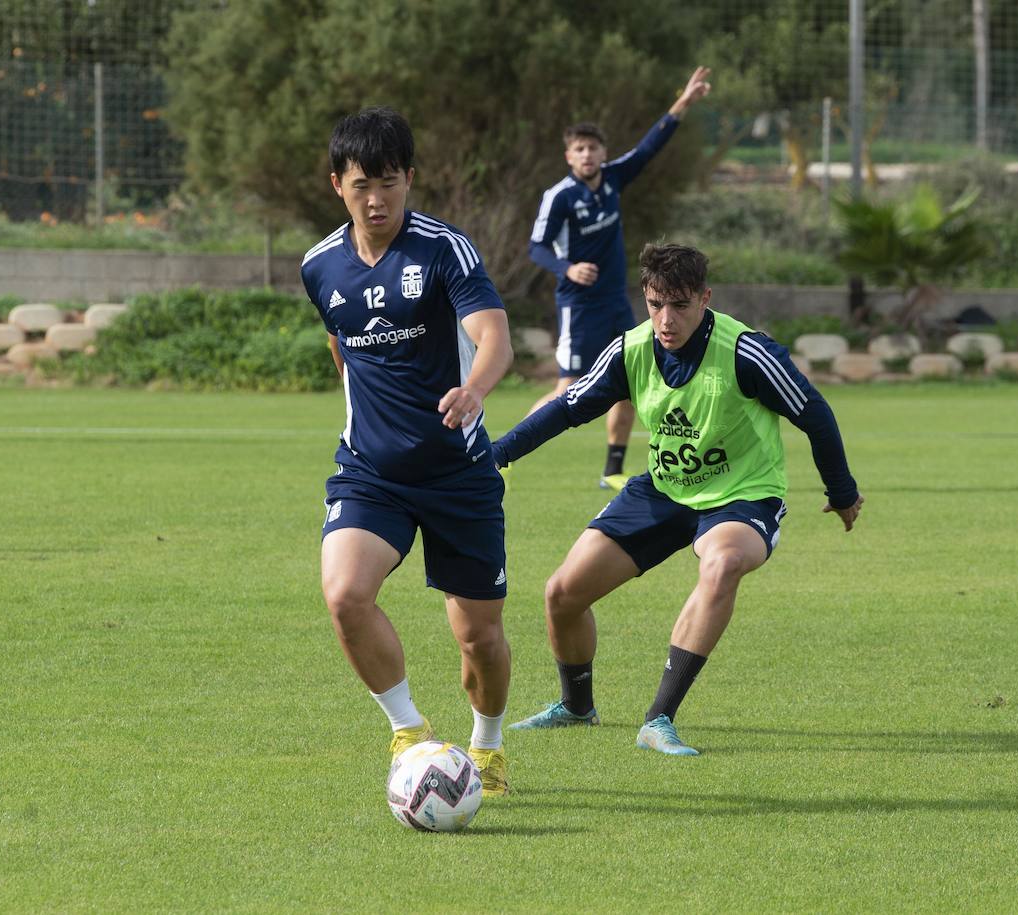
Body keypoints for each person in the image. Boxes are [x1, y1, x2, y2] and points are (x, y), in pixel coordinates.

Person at [496, 243, 863, 754]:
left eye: (680, 305)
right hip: (665, 489)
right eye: (654, 304)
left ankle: (659, 719)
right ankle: (577, 707)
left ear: (705, 298)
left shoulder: (746, 352)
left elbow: (815, 414)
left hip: (742, 495)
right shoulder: (631, 349)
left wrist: (842, 491)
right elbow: (567, 409)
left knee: (724, 562)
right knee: (562, 593)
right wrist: (500, 453)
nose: (666, 320)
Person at [302, 107, 515, 794]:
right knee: (345, 596)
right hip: (370, 472)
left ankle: (486, 748)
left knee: (477, 636)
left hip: (457, 472)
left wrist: (474, 388)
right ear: (337, 183)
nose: (377, 199)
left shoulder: (443, 249)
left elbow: (494, 336)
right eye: (362, 183)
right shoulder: (319, 266)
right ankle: (411, 733)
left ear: (410, 179)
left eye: (390, 182)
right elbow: (340, 344)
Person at [526, 67, 712, 490]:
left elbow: (649, 148)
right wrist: (567, 268)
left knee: (629, 382)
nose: (587, 155)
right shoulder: (559, 198)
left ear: (602, 152)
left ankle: (612, 469)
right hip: (578, 304)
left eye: (593, 147)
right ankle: (502, 455)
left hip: (614, 300)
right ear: (568, 156)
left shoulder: (611, 180)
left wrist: (683, 102)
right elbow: (535, 247)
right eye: (579, 149)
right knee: (568, 388)